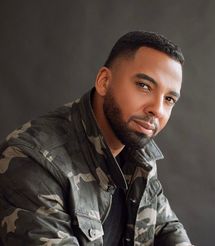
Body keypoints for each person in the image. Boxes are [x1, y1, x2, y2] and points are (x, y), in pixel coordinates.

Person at [0, 31, 194, 245]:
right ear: (104, 82)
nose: (157, 110)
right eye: (144, 86)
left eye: (169, 99)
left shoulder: (139, 152)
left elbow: (165, 226)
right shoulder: (32, 160)